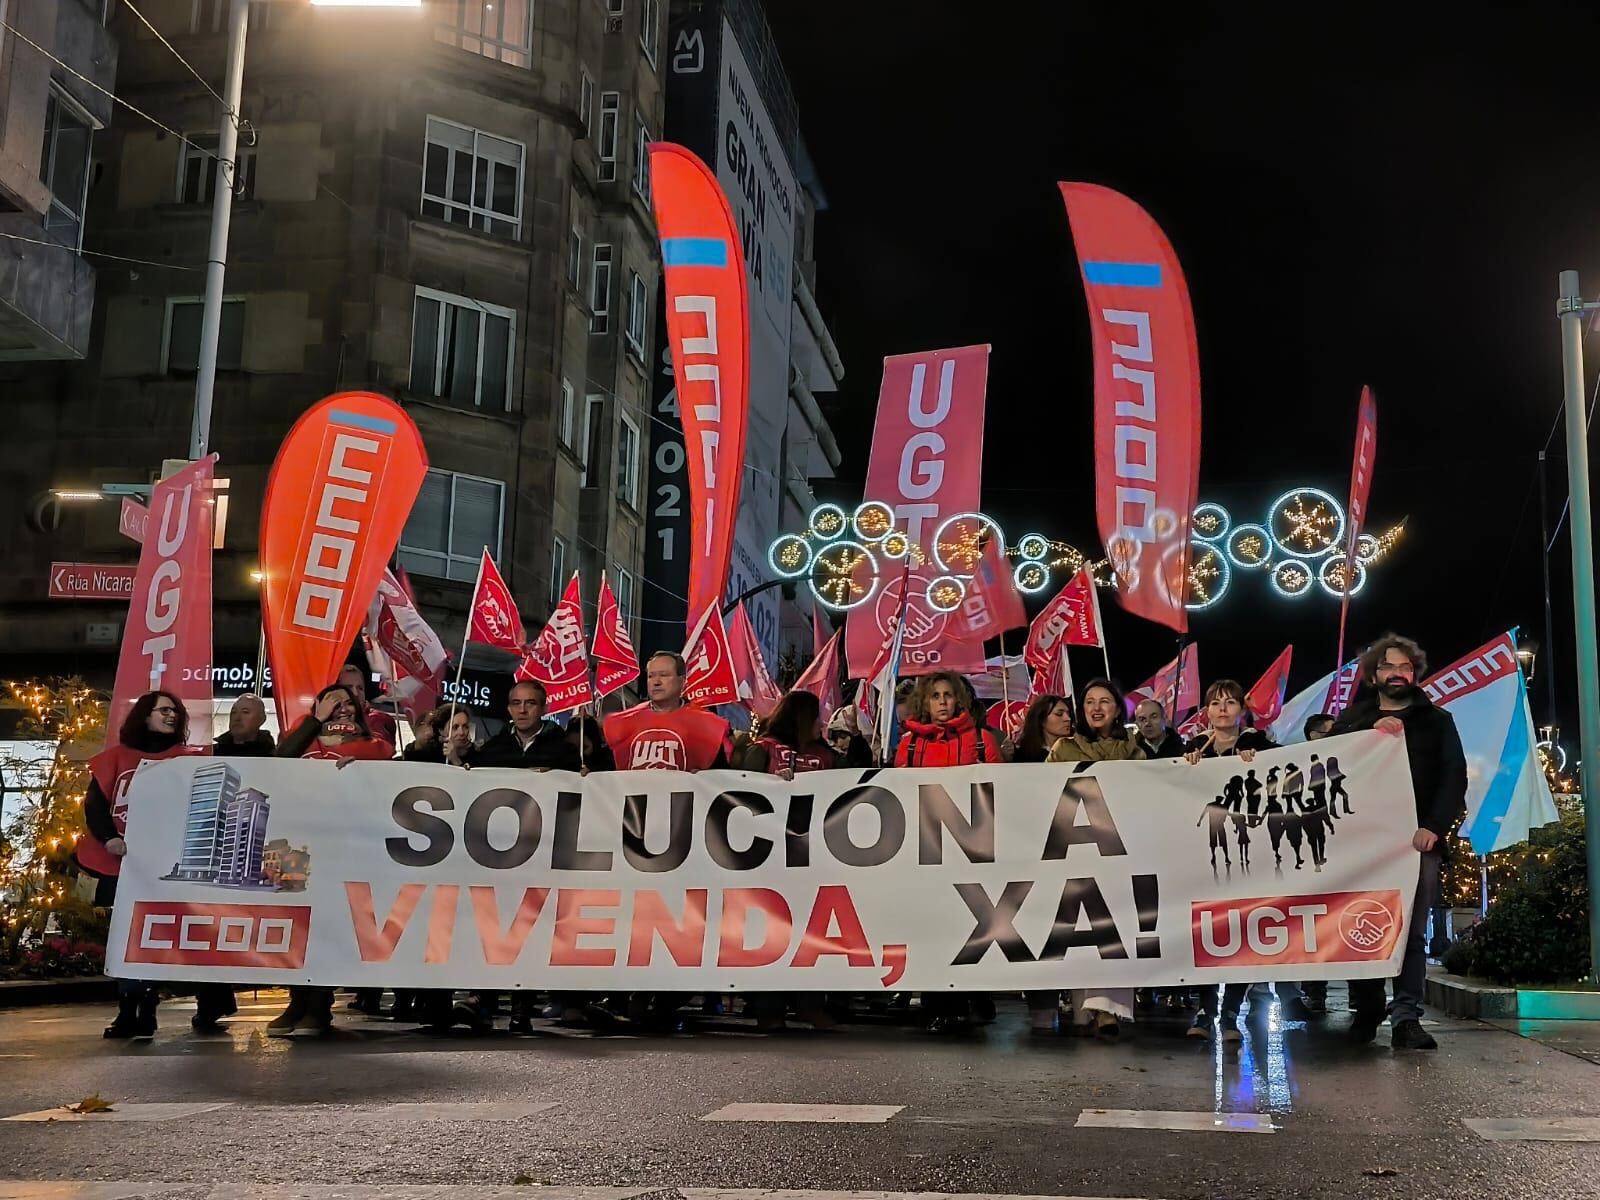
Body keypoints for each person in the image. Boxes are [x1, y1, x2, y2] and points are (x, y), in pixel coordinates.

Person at [1332, 633, 1466, 1051]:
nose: (1396, 673)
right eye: (1388, 666)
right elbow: (1325, 759)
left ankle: (1407, 1016)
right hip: (1364, 845)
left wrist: (1434, 826)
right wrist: (1367, 731)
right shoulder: (1354, 718)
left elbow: (1454, 778)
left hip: (1416, 844)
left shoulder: (1437, 720)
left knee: (1411, 933)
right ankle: (1368, 1009)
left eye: (1404, 667)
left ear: (1415, 672)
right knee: (1360, 925)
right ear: (1374, 674)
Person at [81, 691, 211, 1038]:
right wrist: (110, 838)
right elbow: (95, 805)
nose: (172, 716)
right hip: (123, 865)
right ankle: (129, 1009)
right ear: (145, 715)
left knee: (157, 937)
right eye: (164, 710)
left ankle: (153, 1005)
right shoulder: (116, 759)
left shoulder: (189, 760)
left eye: (176, 711)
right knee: (126, 937)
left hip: (170, 868)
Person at [1181, 680, 1306, 1040]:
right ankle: (1205, 1013)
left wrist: (1264, 762)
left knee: (1239, 936)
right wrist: (1186, 766)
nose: (1223, 709)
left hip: (1250, 855)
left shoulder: (1261, 745)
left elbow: (1290, 771)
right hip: (1205, 857)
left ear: (1241, 710)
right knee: (1206, 935)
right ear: (1206, 711)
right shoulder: (1192, 749)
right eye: (1215, 703)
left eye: (1230, 702)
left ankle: (1230, 1015)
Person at [268, 684, 395, 1038]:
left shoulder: (374, 748)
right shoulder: (303, 742)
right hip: (298, 847)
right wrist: (313, 721)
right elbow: (280, 761)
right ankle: (296, 1002)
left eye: (349, 703)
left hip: (344, 850)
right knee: (298, 928)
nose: (343, 707)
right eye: (333, 702)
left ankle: (319, 1006)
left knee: (327, 927)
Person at [890, 673, 1001, 1034]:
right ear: (926, 702)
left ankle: (975, 996)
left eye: (948, 695)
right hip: (927, 849)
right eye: (935, 696)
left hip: (972, 850)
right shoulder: (907, 746)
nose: (941, 702)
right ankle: (940, 1004)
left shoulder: (983, 742)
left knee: (971, 927)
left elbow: (1002, 793)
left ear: (959, 701)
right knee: (934, 926)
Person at [1043, 678, 1143, 1039]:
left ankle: (1107, 1009)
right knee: (1084, 931)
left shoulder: (1134, 749)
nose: (1097, 708)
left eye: (1105, 701)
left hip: (1119, 852)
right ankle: (1087, 1007)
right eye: (1089, 702)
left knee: (1113, 930)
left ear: (1118, 709)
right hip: (1077, 851)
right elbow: (1042, 793)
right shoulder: (1063, 749)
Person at [742, 690, 841, 1032]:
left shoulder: (826, 756)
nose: (822, 724)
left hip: (814, 860)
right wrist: (770, 785)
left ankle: (810, 1005)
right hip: (768, 862)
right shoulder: (764, 750)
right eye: (817, 717)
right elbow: (740, 792)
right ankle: (769, 1009)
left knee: (812, 935)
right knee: (770, 936)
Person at [603, 652, 732, 771]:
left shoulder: (705, 724)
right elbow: (606, 773)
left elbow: (720, 776)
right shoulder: (623, 722)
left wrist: (705, 777)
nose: (656, 682)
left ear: (682, 682)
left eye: (664, 675)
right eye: (651, 676)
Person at [469, 681, 579, 771]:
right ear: (509, 709)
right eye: (516, 703)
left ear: (545, 709)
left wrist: (554, 775)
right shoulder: (492, 748)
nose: (522, 710)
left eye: (530, 703)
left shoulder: (566, 750)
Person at [339, 663, 398, 746]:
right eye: (349, 687)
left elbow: (376, 748)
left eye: (360, 688)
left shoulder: (379, 719)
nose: (355, 693)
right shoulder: (324, 718)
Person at [1013, 693, 1072, 764]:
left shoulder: (1076, 751)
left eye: (1068, 714)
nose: (1068, 719)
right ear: (1042, 720)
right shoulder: (1025, 757)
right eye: (1059, 714)